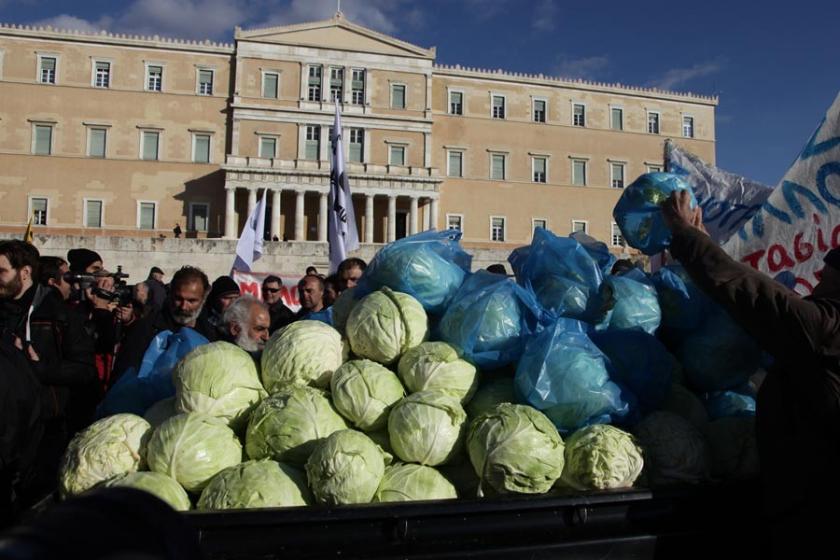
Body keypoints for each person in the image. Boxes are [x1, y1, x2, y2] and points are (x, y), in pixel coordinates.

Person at [661, 190, 840, 554]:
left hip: (816, 519)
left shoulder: (826, 330)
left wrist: (685, 233)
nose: (819, 272)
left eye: (830, 268)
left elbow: (752, 294)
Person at [0, 241, 96, 503]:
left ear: (25, 272)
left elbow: (86, 371)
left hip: (46, 432)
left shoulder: (60, 316)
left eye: (2, 271)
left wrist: (38, 369)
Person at [111, 266, 216, 382]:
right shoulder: (145, 329)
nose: (183, 306)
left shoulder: (210, 334)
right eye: (178, 299)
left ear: (203, 299)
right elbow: (124, 377)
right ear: (170, 294)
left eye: (191, 301)